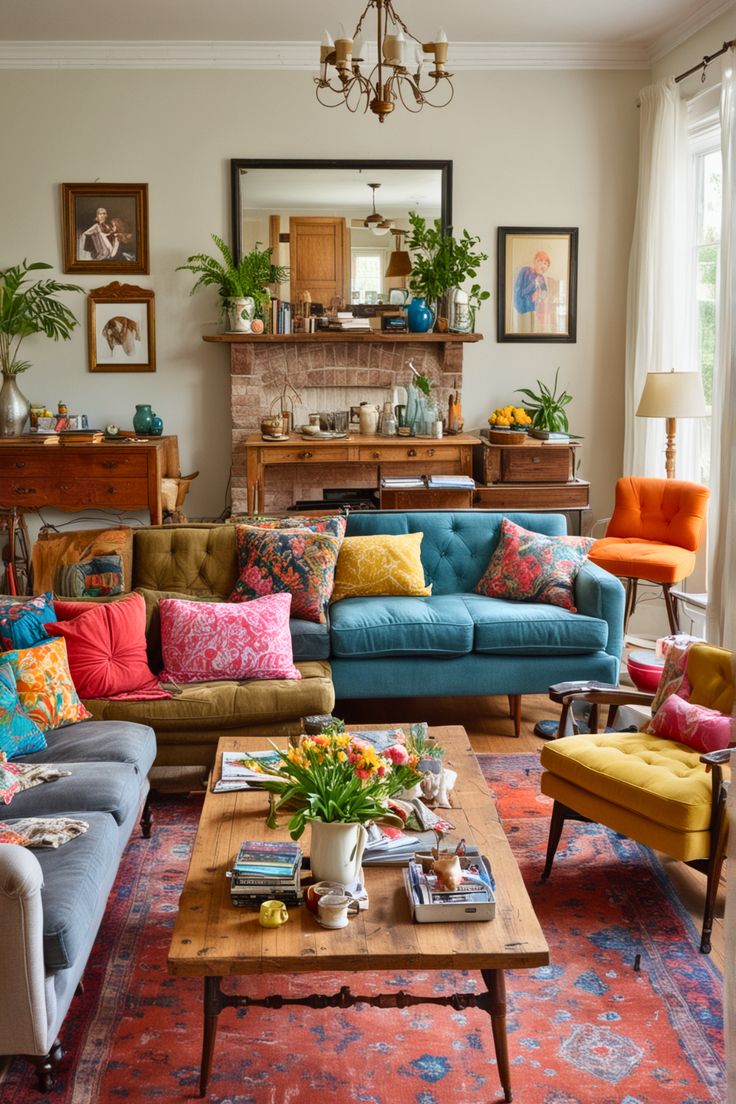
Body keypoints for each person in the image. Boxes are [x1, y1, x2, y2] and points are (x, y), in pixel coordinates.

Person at [512, 250, 550, 334]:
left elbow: (545, 292)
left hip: (535, 310)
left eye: (546, 264)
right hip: (523, 309)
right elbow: (520, 292)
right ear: (535, 261)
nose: (543, 265)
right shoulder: (525, 271)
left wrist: (539, 295)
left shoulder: (541, 277)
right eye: (540, 261)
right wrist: (534, 284)